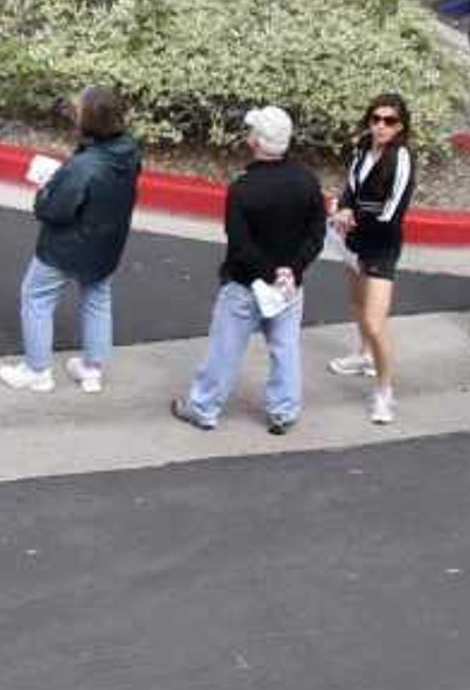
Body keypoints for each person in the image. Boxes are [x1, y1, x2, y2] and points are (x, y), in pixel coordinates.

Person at [178, 106, 322, 435]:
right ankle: (283, 411)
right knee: (285, 348)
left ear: (256, 141)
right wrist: (292, 270)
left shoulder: (244, 189)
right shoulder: (306, 181)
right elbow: (316, 233)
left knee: (225, 349)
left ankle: (203, 407)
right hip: (290, 286)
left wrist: (267, 272)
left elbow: (240, 245)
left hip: (246, 284)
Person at [1, 86, 141, 395]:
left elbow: (55, 210)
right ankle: (92, 369)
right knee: (97, 298)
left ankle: (37, 371)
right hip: (107, 245)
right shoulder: (129, 151)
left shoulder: (84, 166)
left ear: (90, 121)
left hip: (66, 247)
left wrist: (45, 187)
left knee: (35, 297)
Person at [324, 95, 416, 424]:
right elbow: (351, 185)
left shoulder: (401, 158)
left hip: (380, 246)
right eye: (375, 119)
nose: (380, 126)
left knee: (376, 323)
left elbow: (392, 212)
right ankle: (364, 355)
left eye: (389, 121)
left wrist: (350, 216)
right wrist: (345, 208)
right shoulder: (364, 148)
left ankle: (384, 391)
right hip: (353, 240)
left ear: (400, 125)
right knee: (357, 303)